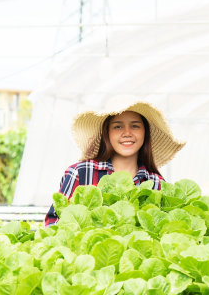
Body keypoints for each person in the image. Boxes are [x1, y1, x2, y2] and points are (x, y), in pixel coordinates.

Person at [45, 96, 185, 225]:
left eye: (135, 126)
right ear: (107, 133)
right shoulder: (80, 173)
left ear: (145, 132)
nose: (127, 133)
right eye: (118, 126)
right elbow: (53, 224)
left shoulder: (156, 183)